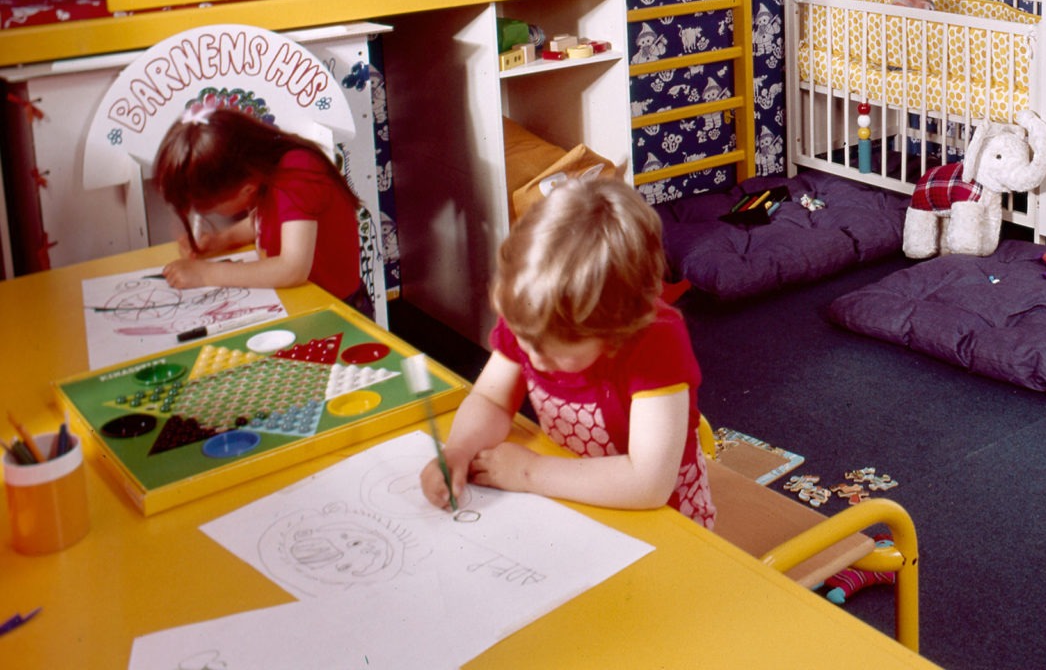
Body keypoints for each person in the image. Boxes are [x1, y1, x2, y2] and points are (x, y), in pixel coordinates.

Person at [419, 178, 715, 528]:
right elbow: (491, 399)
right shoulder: (533, 318)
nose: (534, 358)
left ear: (616, 329)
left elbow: (648, 484)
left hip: (664, 519)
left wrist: (529, 471)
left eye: (553, 351)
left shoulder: (655, 342)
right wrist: (459, 450)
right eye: (525, 341)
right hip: (569, 493)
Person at [151, 104, 372, 315]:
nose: (210, 214)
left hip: (339, 310)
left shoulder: (299, 173)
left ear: (246, 189)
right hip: (303, 303)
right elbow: (266, 221)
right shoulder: (265, 170)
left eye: (211, 209)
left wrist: (207, 274)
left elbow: (292, 268)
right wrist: (223, 239)